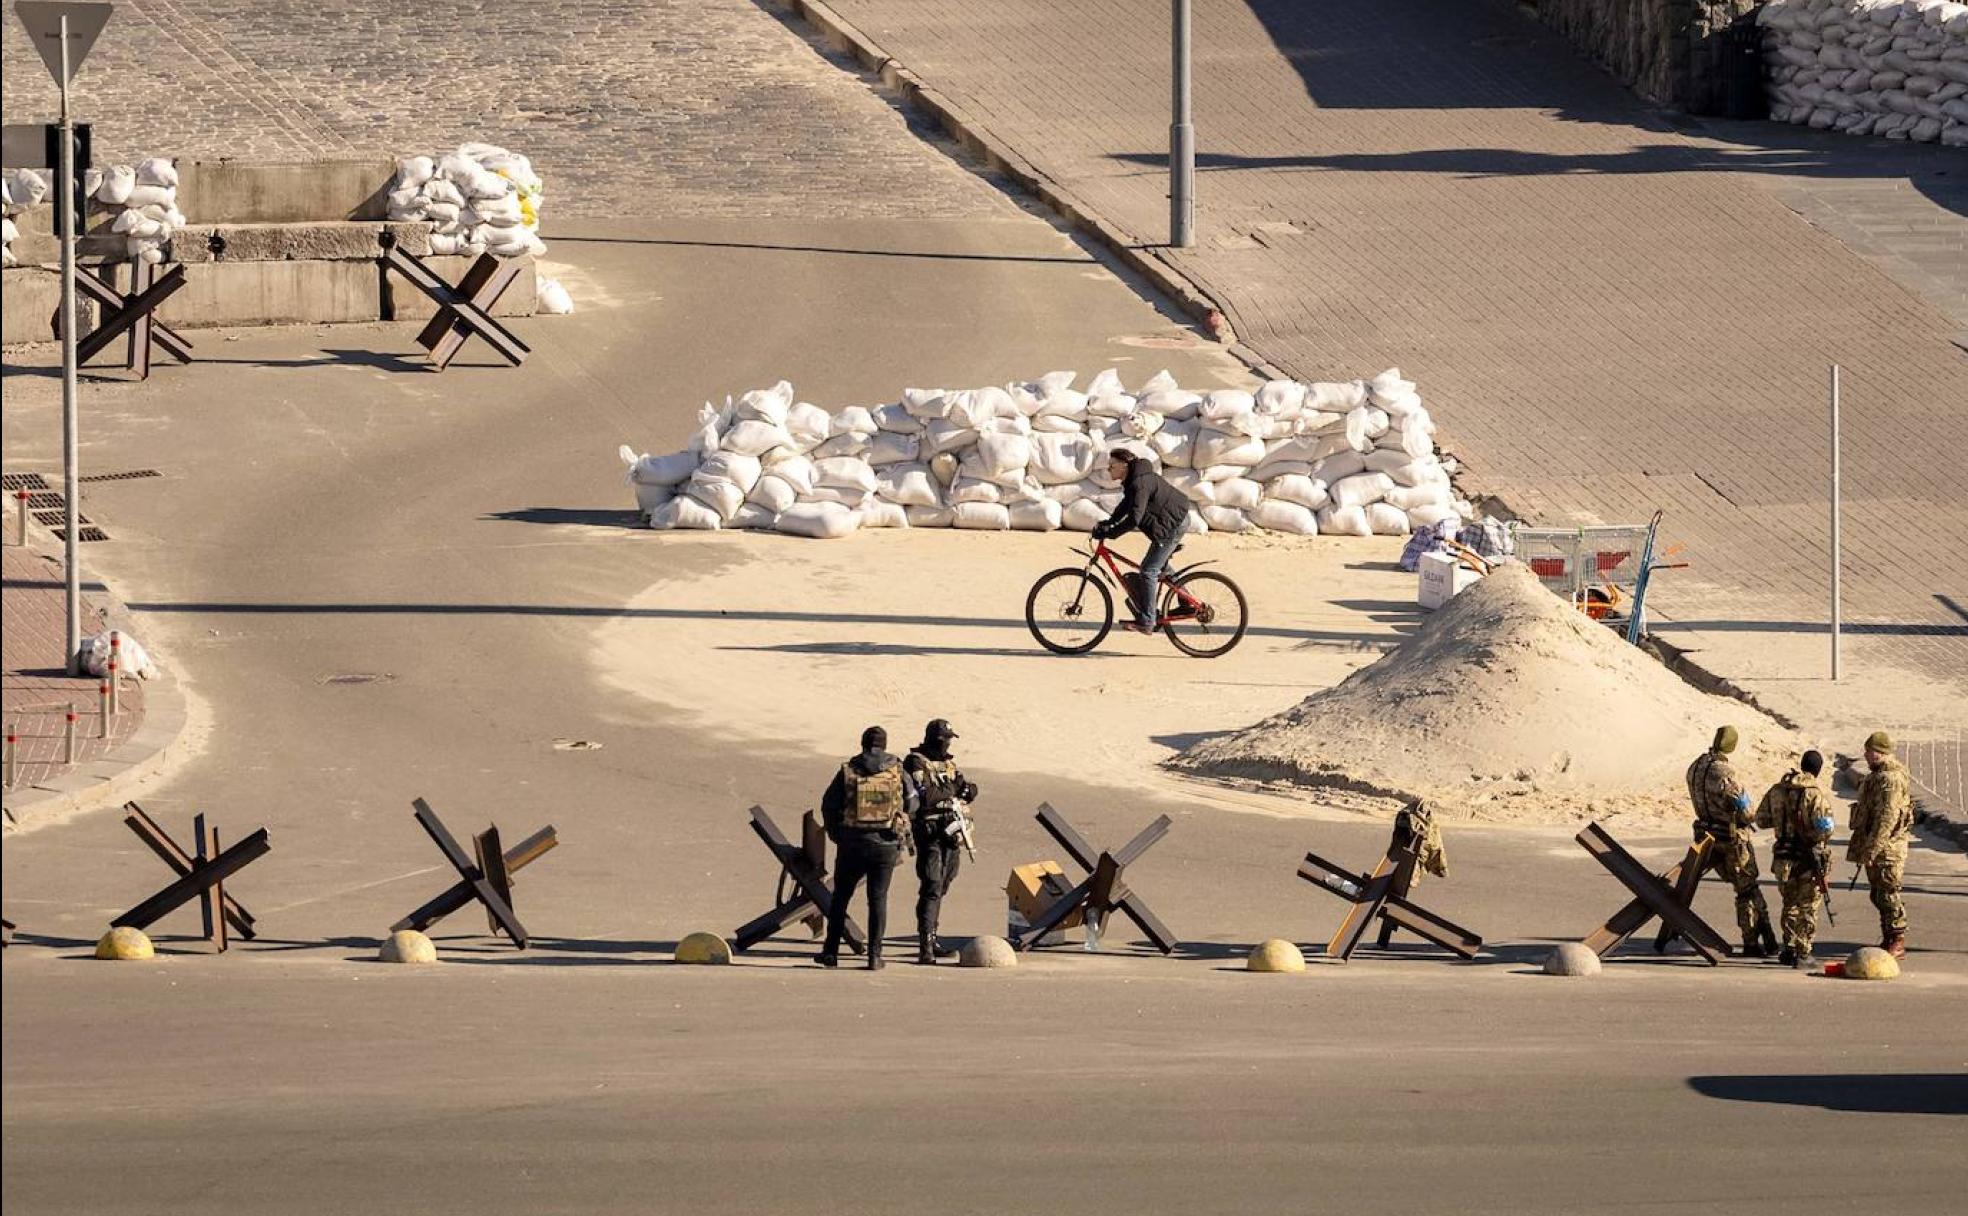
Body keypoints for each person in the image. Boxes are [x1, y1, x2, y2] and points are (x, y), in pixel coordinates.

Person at [818, 725, 918, 970]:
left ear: (863, 744)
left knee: (841, 897)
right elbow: (913, 802)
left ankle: (830, 951)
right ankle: (874, 956)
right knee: (878, 899)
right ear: (885, 745)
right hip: (886, 844)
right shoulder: (898, 769)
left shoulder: (848, 769)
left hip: (852, 843)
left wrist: (837, 834)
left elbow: (829, 805)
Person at [1685, 725, 1778, 957]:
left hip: (1706, 836)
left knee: (1746, 888)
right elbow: (1746, 811)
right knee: (1747, 889)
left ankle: (1769, 938)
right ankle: (1752, 941)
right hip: (1731, 840)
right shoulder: (1723, 772)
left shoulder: (1695, 767)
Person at [904, 718, 979, 965]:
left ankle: (932, 937)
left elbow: (964, 787)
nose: (947, 743)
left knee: (946, 881)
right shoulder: (916, 761)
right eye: (944, 739)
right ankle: (925, 945)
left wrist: (968, 790)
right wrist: (954, 789)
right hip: (930, 833)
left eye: (949, 739)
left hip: (952, 831)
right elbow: (926, 796)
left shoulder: (948, 763)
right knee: (932, 885)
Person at [1092, 450, 1191, 634]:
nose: (1108, 469)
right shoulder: (1134, 481)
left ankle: (1147, 621)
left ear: (1124, 466)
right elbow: (1126, 506)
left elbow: (1134, 518)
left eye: (1112, 466)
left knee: (1148, 570)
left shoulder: (1140, 483)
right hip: (1168, 522)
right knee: (1159, 565)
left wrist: (1112, 533)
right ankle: (1187, 603)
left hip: (1173, 523)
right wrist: (1109, 522)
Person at [1754, 750, 1836, 969]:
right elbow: (1825, 830)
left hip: (1783, 858)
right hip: (1807, 859)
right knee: (1808, 906)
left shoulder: (1777, 790)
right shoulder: (1814, 795)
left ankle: (1789, 948)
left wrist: (1783, 823)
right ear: (1818, 770)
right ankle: (1803, 953)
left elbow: (1761, 820)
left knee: (1789, 903)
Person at [1848, 730, 1913, 960]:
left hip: (1888, 848)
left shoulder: (1890, 779)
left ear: (1879, 752)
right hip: (1876, 845)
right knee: (1877, 894)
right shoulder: (1877, 776)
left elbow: (1887, 818)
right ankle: (1888, 935)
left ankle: (1897, 939)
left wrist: (1873, 849)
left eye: (1869, 751)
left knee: (1888, 892)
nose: (1866, 755)